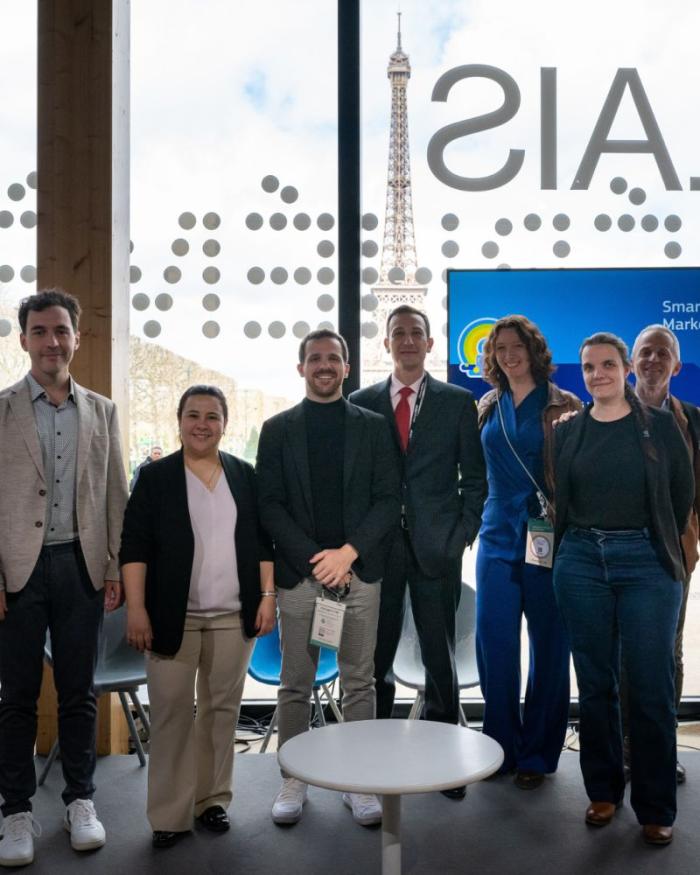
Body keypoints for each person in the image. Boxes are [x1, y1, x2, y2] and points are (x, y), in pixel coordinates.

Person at [0, 290, 128, 867]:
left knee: (80, 693)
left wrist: (114, 567)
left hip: (80, 567)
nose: (52, 341)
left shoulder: (101, 410)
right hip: (16, 572)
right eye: (40, 331)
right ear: (25, 339)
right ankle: (16, 813)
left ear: (77, 338)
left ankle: (81, 801)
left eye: (62, 331)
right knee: (16, 699)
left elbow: (115, 495)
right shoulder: (1, 410)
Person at [552, 332, 693, 847]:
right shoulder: (568, 431)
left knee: (651, 687)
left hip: (647, 563)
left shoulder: (658, 426)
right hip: (582, 560)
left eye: (608, 365)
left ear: (626, 368)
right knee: (595, 685)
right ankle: (604, 790)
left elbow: (680, 497)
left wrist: (650, 544)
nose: (598, 375)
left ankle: (655, 807)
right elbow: (559, 493)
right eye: (589, 367)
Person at [119, 385, 275, 848]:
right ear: (179, 420)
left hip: (233, 616)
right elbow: (134, 547)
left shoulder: (245, 475)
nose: (202, 424)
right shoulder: (155, 477)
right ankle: (169, 814)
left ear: (225, 424)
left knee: (221, 713)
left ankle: (212, 801)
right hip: (172, 618)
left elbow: (263, 543)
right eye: (193, 415)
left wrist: (267, 597)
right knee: (170, 715)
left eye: (212, 416)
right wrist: (137, 608)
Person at [256, 330, 399, 826]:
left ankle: (359, 783)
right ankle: (294, 780)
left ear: (347, 367)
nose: (324, 365)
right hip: (300, 578)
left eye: (333, 358)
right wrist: (318, 559)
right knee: (294, 684)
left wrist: (348, 554)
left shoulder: (374, 427)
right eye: (314, 358)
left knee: (360, 683)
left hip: (359, 576)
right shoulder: (276, 429)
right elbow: (268, 505)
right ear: (301, 368)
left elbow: (388, 499)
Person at [350, 305, 486, 800]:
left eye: (417, 333)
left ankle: (444, 758)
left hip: (437, 548)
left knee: (439, 655)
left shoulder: (457, 402)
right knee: (377, 655)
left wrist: (461, 535)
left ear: (431, 344)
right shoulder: (361, 401)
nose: (407, 340)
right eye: (398, 333)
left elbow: (475, 480)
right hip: (380, 550)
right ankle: (374, 757)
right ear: (386, 343)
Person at [476, 315, 580, 789]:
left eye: (517, 345)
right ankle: (500, 748)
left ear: (534, 349)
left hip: (547, 537)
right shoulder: (487, 404)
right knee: (495, 646)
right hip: (497, 536)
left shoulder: (566, 404)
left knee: (550, 648)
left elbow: (580, 475)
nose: (509, 354)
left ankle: (537, 754)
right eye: (500, 348)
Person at [628, 324, 700, 785]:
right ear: (632, 362)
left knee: (665, 655)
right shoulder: (606, 414)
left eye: (663, 353)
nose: (653, 360)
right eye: (645, 352)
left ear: (676, 365)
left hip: (672, 556)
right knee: (620, 657)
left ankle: (660, 749)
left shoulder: (693, 420)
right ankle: (625, 750)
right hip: (614, 555)